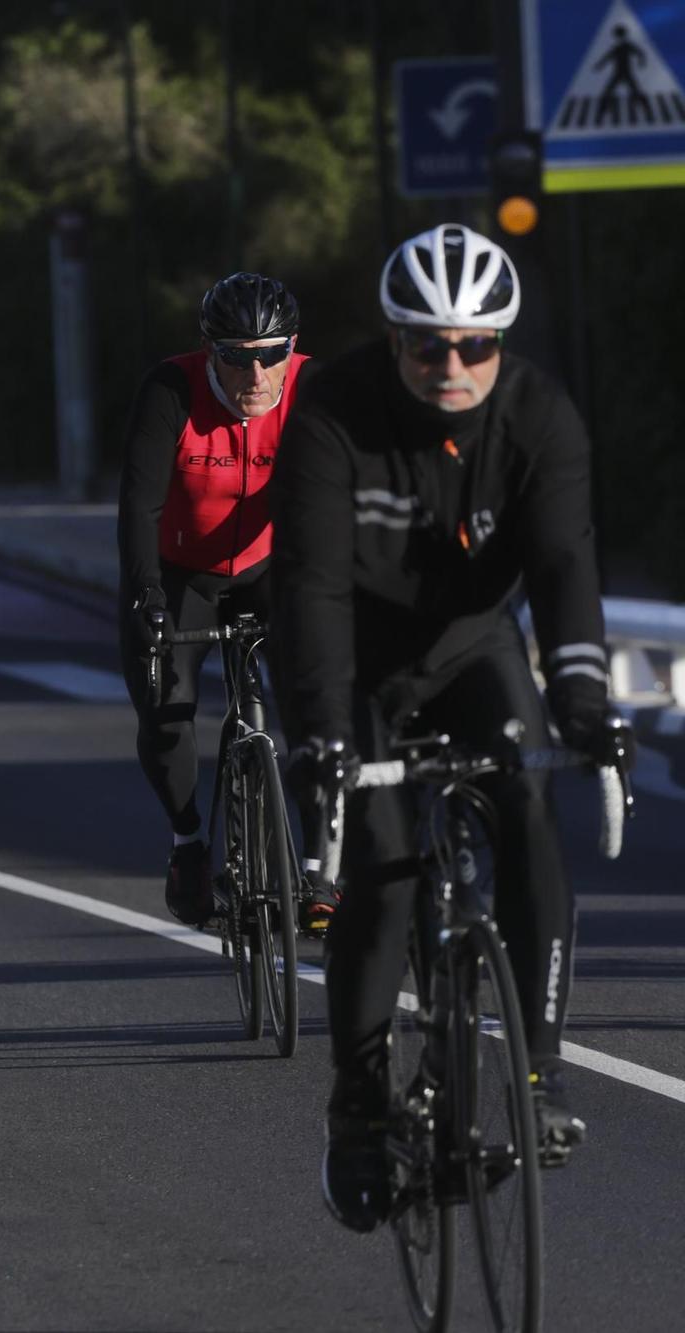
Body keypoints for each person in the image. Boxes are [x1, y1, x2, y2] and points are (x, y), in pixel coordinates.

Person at [272, 223, 622, 1232]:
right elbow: (309, 587)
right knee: (378, 878)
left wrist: (585, 705)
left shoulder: (537, 416)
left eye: (474, 345)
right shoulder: (332, 412)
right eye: (427, 344)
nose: (451, 365)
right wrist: (320, 736)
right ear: (391, 340)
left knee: (523, 803)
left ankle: (540, 1069)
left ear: (500, 344)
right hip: (360, 665)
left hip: (472, 648)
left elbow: (563, 569)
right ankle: (356, 1112)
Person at [116, 273, 320, 929]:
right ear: (209, 351)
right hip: (180, 572)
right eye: (235, 356)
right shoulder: (171, 390)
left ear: (293, 347)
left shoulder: (316, 390)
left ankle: (319, 864)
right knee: (165, 707)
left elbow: (341, 500)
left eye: (271, 353)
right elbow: (138, 506)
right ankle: (189, 843)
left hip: (270, 566)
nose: (255, 373)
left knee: (319, 695)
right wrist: (146, 594)